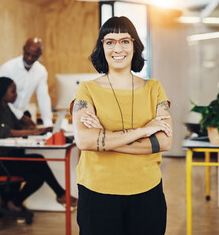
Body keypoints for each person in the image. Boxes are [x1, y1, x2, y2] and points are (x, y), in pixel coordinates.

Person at [71, 16, 173, 235]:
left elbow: (164, 141)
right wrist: (144, 131)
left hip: (147, 193)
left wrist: (104, 139)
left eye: (125, 41)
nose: (118, 48)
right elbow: (84, 140)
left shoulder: (154, 88)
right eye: (110, 42)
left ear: (135, 46)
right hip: (97, 193)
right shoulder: (87, 90)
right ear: (102, 47)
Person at [0, 77, 77, 211]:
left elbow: (18, 128)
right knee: (38, 160)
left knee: (37, 177)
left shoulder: (5, 107)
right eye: (13, 91)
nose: (16, 94)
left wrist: (42, 129)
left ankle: (13, 202)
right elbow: (3, 132)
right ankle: (61, 194)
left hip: (6, 157)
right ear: (2, 92)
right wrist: (35, 132)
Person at [0, 37, 53, 128]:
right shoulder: (8, 68)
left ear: (40, 54)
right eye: (27, 54)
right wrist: (20, 116)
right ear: (24, 49)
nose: (29, 58)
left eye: (34, 56)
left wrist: (48, 124)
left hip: (21, 117)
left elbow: (43, 98)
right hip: (3, 116)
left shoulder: (41, 71)